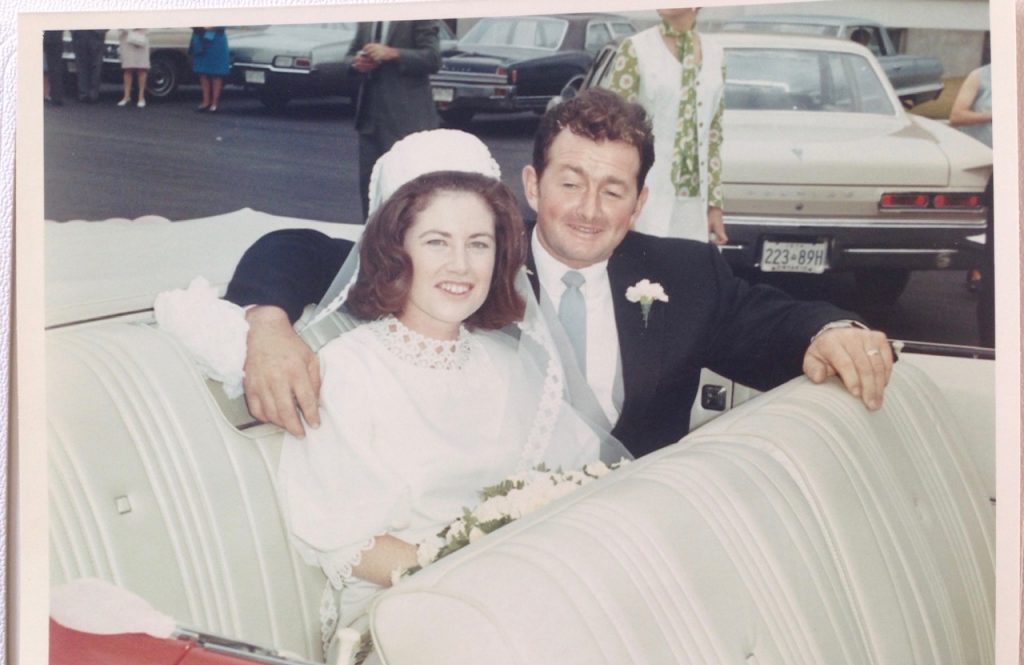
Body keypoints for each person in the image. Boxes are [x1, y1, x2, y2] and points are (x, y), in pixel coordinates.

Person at [225, 88, 894, 458]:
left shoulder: (686, 273)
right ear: (532, 184)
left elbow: (773, 323)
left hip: (639, 531)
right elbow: (303, 251)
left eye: (612, 190)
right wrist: (269, 328)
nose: (587, 210)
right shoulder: (478, 256)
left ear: (639, 204)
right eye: (570, 182)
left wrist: (832, 329)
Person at [272, 133, 624, 663]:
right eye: (437, 242)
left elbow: (575, 475)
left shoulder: (509, 365)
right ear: (396, 251)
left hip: (514, 595)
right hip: (399, 610)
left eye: (478, 244)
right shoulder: (350, 370)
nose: (461, 266)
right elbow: (346, 540)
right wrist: (473, 587)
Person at [606, 7, 726, 244]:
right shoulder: (636, 49)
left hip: (694, 205)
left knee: (688, 275)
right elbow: (614, 131)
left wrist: (715, 206)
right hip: (645, 196)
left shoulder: (716, 54)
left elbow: (714, 134)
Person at [344, 19, 443, 219]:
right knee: (371, 191)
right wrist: (357, 63)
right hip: (370, 120)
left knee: (406, 191)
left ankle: (404, 245)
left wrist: (392, 53)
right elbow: (349, 55)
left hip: (407, 120)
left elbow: (433, 59)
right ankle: (369, 243)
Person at [949, 63, 994, 346]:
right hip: (989, 164)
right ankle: (979, 270)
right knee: (988, 226)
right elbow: (956, 115)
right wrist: (997, 115)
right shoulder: (982, 76)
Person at [190, 27, 230, 112]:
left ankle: (215, 103)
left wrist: (207, 26)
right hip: (200, 40)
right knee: (202, 73)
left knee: (216, 73)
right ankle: (206, 102)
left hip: (216, 41)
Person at [117, 28, 150, 108]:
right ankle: (126, 96)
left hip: (141, 37)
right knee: (128, 69)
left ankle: (141, 97)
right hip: (126, 38)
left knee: (141, 68)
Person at [71, 29, 106, 103]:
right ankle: (83, 94)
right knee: (81, 65)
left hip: (97, 35)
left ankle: (93, 94)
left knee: (96, 66)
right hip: (80, 33)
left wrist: (102, 31)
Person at [43, 30, 66, 106]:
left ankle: (53, 95)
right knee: (56, 69)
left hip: (47, 39)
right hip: (57, 39)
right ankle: (57, 96)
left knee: (51, 69)